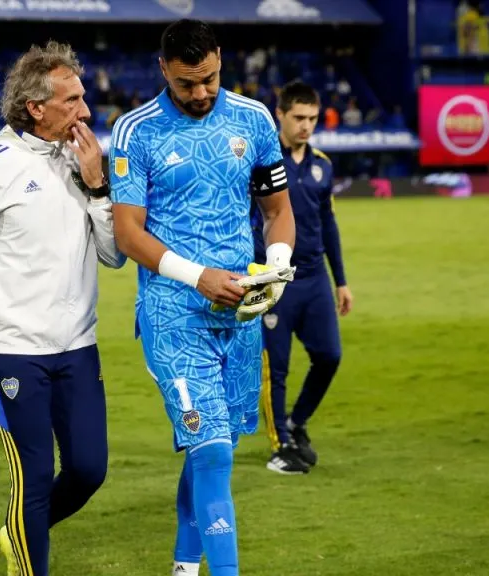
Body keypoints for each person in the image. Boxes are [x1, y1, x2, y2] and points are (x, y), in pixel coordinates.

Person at [0, 40, 126, 576]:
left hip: (78, 346)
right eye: (72, 99)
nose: (85, 110)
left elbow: (113, 256)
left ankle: (18, 532)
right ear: (35, 107)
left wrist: (98, 185)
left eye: (83, 98)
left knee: (87, 470)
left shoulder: (81, 161)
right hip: (11, 351)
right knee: (34, 477)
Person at [109, 20, 295, 576]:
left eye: (209, 79)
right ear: (163, 69)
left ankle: (185, 566)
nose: (200, 93)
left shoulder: (254, 120)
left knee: (215, 448)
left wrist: (278, 266)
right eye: (187, 83)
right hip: (173, 313)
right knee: (211, 448)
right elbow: (128, 233)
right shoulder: (134, 132)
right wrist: (198, 277)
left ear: (220, 58)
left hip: (239, 312)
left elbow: (278, 211)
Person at [254, 81, 353, 475]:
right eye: (299, 118)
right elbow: (250, 218)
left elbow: (328, 224)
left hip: (314, 280)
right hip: (275, 278)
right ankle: (280, 446)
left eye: (312, 118)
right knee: (274, 369)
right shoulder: (262, 160)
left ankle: (296, 423)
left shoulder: (322, 164)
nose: (306, 126)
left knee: (329, 356)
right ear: (280, 114)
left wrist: (341, 280)